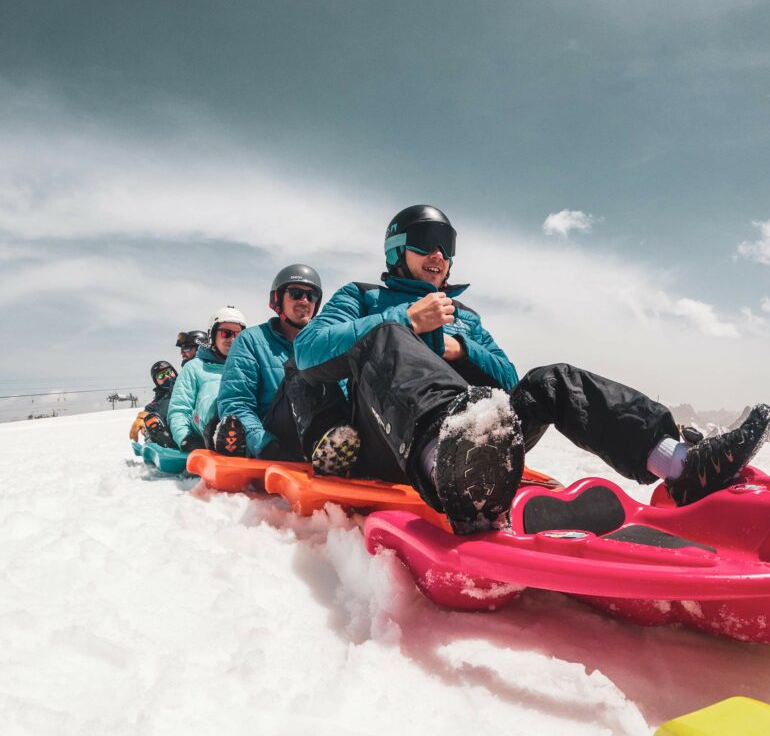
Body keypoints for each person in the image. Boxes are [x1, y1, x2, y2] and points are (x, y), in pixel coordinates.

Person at [286, 204, 770, 534]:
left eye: (447, 245)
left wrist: (461, 350)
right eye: (427, 241)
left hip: (476, 442)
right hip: (393, 441)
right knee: (387, 337)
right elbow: (307, 352)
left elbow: (508, 381)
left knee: (551, 381)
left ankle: (681, 464)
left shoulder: (466, 317)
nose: (440, 255)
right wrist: (403, 319)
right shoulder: (363, 298)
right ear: (397, 249)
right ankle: (449, 471)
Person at [214, 264, 354, 465]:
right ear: (278, 299)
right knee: (300, 364)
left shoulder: (325, 345)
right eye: (296, 293)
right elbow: (236, 403)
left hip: (328, 437)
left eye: (311, 296)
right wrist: (265, 445)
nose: (304, 301)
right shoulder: (251, 340)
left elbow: (343, 396)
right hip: (278, 437)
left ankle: (338, 448)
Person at [167, 307, 246, 451]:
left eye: (238, 334)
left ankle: (243, 435)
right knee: (213, 390)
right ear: (212, 335)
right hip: (205, 428)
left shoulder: (248, 367)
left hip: (247, 423)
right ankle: (221, 432)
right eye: (226, 333)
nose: (232, 339)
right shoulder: (195, 367)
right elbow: (179, 408)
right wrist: (185, 438)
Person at [129, 360, 178, 445]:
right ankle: (159, 438)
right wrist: (142, 418)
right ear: (156, 382)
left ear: (174, 372)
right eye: (161, 375)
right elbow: (151, 408)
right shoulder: (159, 400)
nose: (166, 376)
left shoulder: (185, 385)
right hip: (173, 435)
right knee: (151, 417)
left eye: (168, 372)